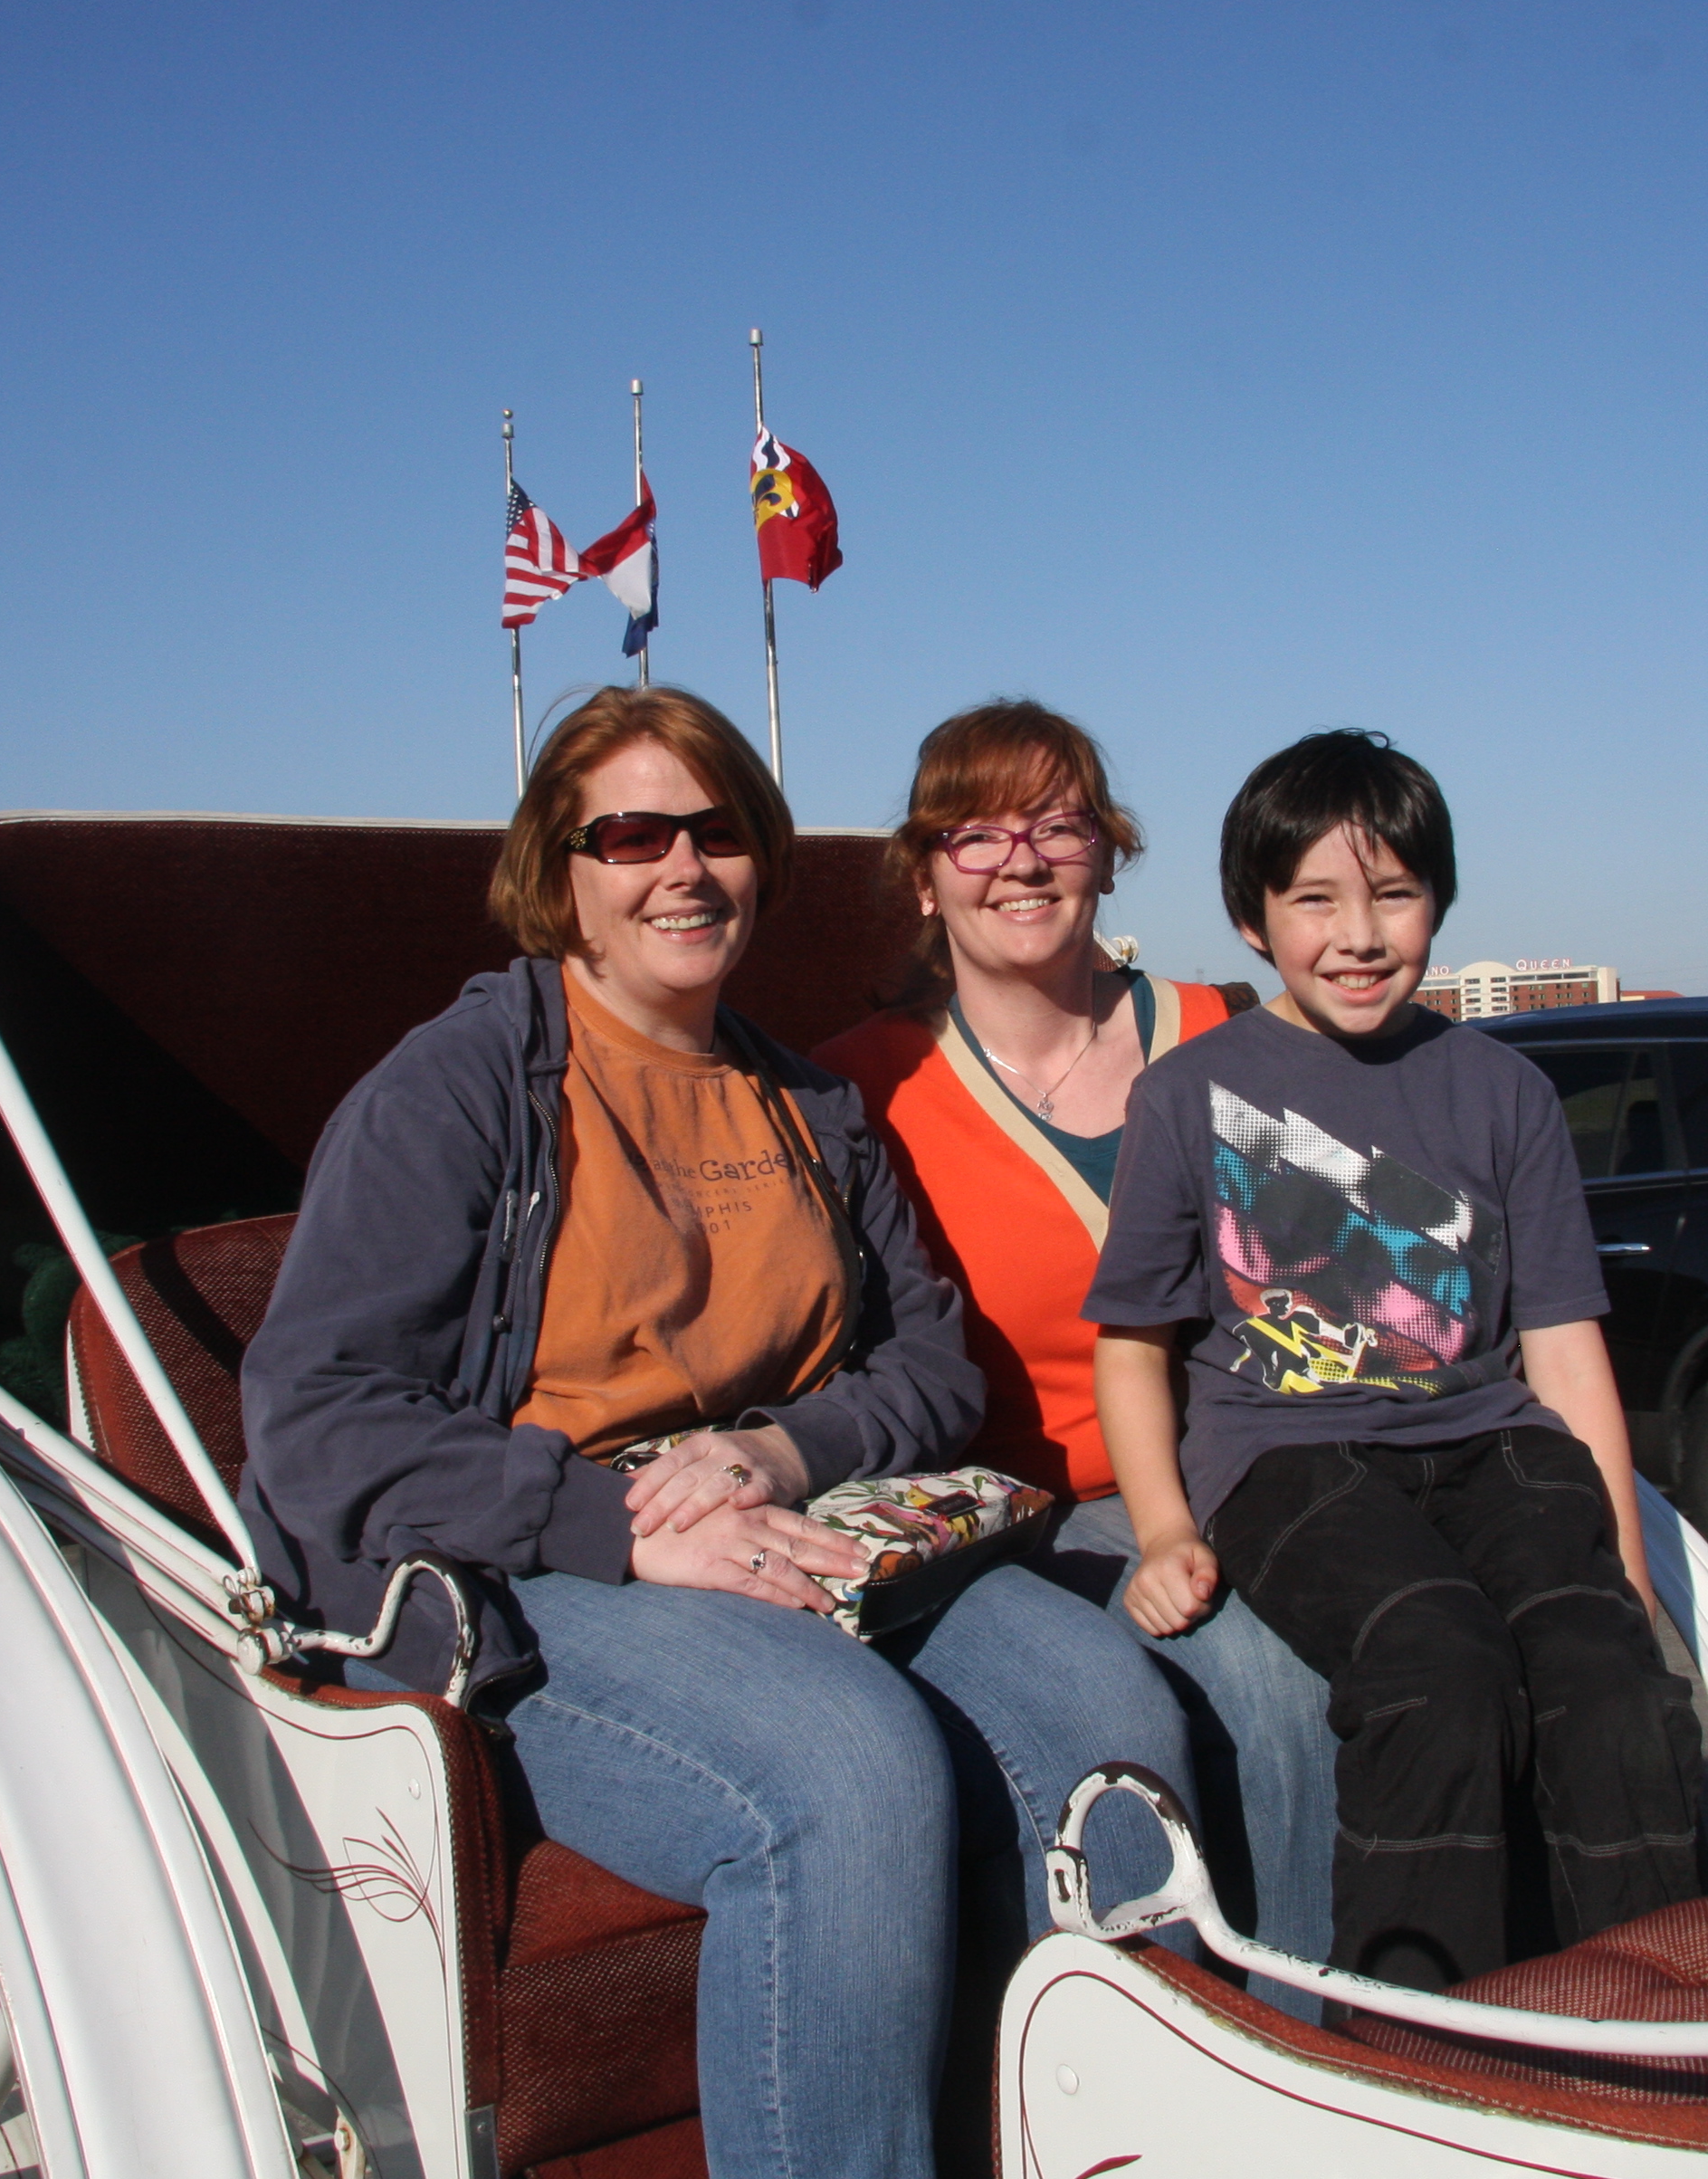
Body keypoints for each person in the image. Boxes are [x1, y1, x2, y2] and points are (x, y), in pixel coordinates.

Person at [235, 685, 1188, 2179]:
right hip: (533, 1558)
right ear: (561, 872)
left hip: (800, 1520)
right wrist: (616, 1526)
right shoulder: (463, 1087)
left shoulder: (803, 1099)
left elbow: (930, 1368)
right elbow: (319, 1414)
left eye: (719, 831)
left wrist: (779, 1453)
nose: (683, 867)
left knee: (1105, 1705)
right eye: (632, 835)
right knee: (848, 1769)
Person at [1083, 729, 1705, 1993]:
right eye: (1314, 899)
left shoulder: (1506, 1090)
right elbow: (1135, 1344)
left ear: (1439, 901)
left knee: (1609, 1684)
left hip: (1494, 1447)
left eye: (1395, 894)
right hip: (1291, 1458)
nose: (1359, 936)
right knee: (1438, 1667)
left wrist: (1629, 1580)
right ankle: (1413, 2033)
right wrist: (1163, 1530)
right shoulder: (1188, 1095)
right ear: (1253, 919)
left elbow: (1563, 1345)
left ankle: (1649, 2022)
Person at [815, 700, 1341, 1983]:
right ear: (925, 876)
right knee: (1270, 1688)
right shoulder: (861, 1089)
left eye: (1058, 825)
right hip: (1039, 1510)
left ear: (1108, 853)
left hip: (1255, 1470)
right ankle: (1209, 2048)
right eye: (976, 832)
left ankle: (1349, 2035)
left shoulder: (1228, 1031)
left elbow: (1347, 1285)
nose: (1023, 859)